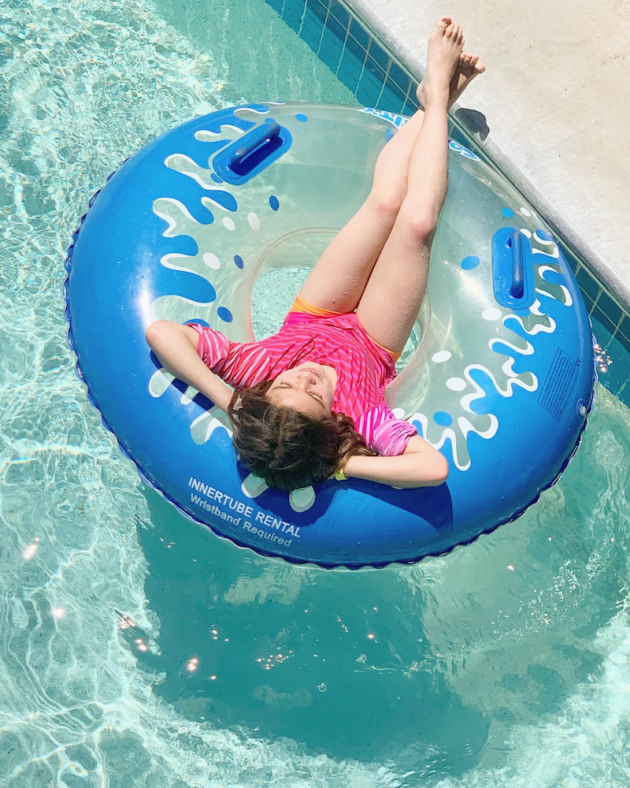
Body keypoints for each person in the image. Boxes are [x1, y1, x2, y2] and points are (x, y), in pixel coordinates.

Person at [146, 17, 485, 492]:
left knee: (385, 203)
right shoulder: (358, 417)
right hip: (374, 340)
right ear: (331, 423)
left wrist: (232, 404)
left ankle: (433, 100)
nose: (306, 378)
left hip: (316, 312)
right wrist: (343, 464)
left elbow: (162, 332)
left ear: (265, 393)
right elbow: (431, 469)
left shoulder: (254, 376)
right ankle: (439, 106)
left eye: (289, 385)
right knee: (417, 223)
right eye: (316, 396)